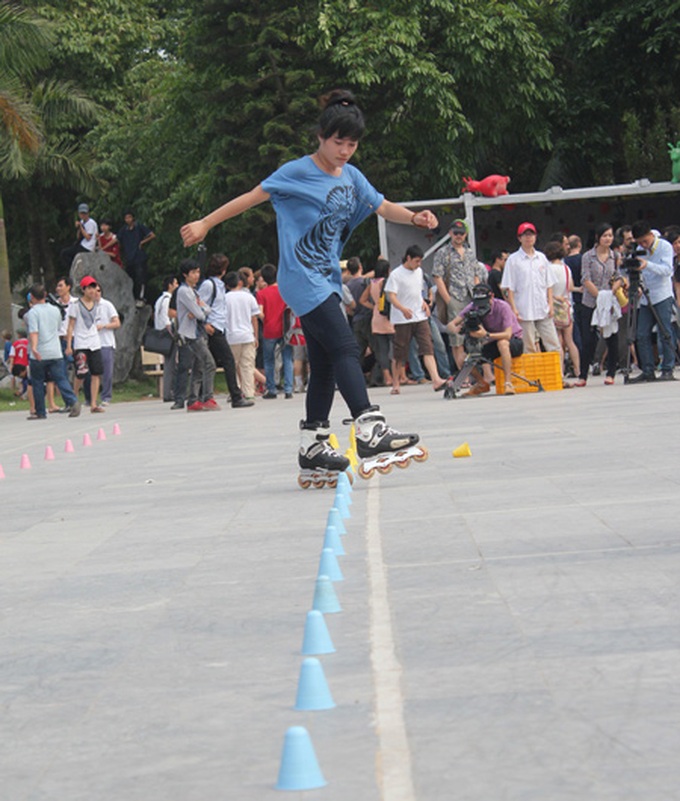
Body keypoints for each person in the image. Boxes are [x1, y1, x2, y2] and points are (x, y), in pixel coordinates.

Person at [181, 89, 436, 484]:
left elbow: (384, 207)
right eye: (338, 143)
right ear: (321, 136)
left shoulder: (352, 176)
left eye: (352, 144)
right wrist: (205, 224)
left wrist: (415, 217)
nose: (345, 151)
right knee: (347, 346)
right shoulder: (296, 171)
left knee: (326, 365)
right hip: (300, 277)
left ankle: (313, 445)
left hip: (327, 280)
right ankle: (369, 428)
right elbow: (251, 197)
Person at [384, 245, 449, 395]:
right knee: (399, 353)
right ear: (408, 258)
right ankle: (396, 383)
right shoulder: (396, 274)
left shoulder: (419, 272)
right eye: (417, 261)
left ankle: (436, 379)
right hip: (402, 319)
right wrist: (402, 308)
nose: (419, 264)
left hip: (419, 316)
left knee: (427, 347)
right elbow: (391, 296)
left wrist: (424, 303)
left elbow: (418, 292)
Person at [447, 283, 524, 396]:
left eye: (484, 302)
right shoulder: (474, 306)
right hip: (491, 342)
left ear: (491, 296)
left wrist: (486, 334)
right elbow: (451, 324)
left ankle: (508, 383)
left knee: (502, 343)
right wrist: (456, 329)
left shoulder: (503, 307)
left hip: (513, 340)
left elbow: (507, 335)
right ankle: (481, 383)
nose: (482, 306)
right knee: (463, 357)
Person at [198, 254, 253, 408]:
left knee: (211, 363)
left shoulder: (220, 285)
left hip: (220, 328)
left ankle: (200, 394)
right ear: (223, 269)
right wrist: (204, 323)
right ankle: (236, 396)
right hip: (212, 328)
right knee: (228, 360)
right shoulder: (209, 285)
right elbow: (199, 304)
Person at [432, 218, 487, 370]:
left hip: (471, 297)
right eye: (456, 233)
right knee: (457, 340)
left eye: (461, 233)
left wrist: (478, 294)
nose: (458, 236)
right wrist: (448, 300)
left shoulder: (470, 252)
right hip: (455, 296)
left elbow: (476, 273)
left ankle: (479, 372)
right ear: (450, 233)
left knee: (476, 334)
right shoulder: (443, 253)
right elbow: (438, 277)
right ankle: (464, 375)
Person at [501, 222, 561, 355]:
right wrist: (514, 308)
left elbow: (549, 284)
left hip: (542, 307)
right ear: (519, 238)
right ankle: (532, 375)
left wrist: (550, 304)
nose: (528, 238)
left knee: (553, 344)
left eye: (531, 234)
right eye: (525, 235)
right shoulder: (513, 260)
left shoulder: (542, 258)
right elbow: (509, 287)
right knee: (528, 347)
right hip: (524, 308)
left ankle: (557, 374)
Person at [628, 220, 676, 382]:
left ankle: (668, 369)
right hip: (645, 297)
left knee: (665, 332)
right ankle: (648, 370)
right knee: (641, 334)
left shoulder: (664, 246)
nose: (643, 245)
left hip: (662, 295)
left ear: (650, 234)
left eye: (645, 241)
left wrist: (647, 264)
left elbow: (667, 270)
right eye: (639, 242)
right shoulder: (639, 250)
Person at [25, 283, 80, 419]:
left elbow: (34, 332)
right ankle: (72, 401)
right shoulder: (55, 310)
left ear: (31, 297)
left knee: (37, 382)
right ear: (45, 295)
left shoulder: (33, 313)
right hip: (55, 351)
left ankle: (40, 412)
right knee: (60, 378)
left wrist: (34, 348)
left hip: (39, 353)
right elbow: (57, 327)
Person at [172, 258, 219, 411]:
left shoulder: (194, 291)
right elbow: (200, 313)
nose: (196, 275)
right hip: (191, 334)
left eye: (198, 272)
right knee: (209, 363)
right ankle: (207, 397)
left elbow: (206, 309)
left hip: (197, 332)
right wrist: (198, 311)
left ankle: (193, 400)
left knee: (199, 366)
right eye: (193, 272)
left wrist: (199, 310)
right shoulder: (184, 291)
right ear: (185, 274)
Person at [65, 276, 104, 412]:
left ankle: (93, 403)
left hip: (94, 342)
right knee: (81, 372)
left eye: (94, 287)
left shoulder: (97, 305)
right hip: (81, 342)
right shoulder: (75, 305)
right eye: (89, 288)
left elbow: (97, 323)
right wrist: (69, 345)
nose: (93, 291)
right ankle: (73, 399)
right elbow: (70, 326)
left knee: (96, 373)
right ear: (83, 289)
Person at [256, 263, 294, 399]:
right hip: (285, 329)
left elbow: (260, 313)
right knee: (287, 358)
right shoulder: (285, 291)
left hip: (269, 330)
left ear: (265, 279)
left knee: (269, 360)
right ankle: (289, 389)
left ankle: (271, 389)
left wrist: (265, 319)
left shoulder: (261, 294)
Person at [545, 240, 580, 381]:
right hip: (566, 306)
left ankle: (560, 370)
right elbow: (570, 287)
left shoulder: (549, 269)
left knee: (558, 341)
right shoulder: (566, 268)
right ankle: (578, 369)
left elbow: (548, 288)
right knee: (570, 341)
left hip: (553, 305)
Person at [224, 271, 261, 400]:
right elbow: (254, 318)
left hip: (231, 336)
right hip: (247, 335)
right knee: (247, 365)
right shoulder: (249, 297)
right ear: (240, 282)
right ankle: (249, 393)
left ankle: (235, 391)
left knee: (232, 365)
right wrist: (255, 336)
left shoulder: (225, 298)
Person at [117, 211, 155, 306]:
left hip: (139, 256)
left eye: (129, 217)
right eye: (126, 218)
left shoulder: (139, 227)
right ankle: (132, 297)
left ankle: (141, 297)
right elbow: (117, 239)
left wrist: (142, 242)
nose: (128, 220)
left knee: (140, 278)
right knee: (130, 278)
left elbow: (152, 235)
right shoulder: (124, 230)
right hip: (129, 257)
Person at [154, 275, 179, 402]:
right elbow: (165, 317)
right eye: (175, 283)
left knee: (169, 363)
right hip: (167, 332)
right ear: (170, 285)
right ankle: (169, 392)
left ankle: (168, 391)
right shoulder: (168, 299)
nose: (177, 285)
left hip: (160, 332)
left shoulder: (160, 299)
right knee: (170, 364)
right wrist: (172, 332)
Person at [94, 286, 120, 404]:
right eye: (94, 290)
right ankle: (91, 398)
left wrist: (104, 326)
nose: (96, 293)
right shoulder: (88, 306)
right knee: (93, 371)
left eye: (99, 290)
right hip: (92, 343)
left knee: (107, 372)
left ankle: (106, 396)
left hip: (106, 342)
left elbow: (117, 323)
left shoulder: (107, 305)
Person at [59, 203, 98, 269]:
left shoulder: (91, 223)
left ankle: (74, 267)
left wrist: (81, 227)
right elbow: (78, 237)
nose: (83, 215)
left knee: (67, 253)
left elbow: (88, 237)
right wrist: (78, 228)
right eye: (81, 214)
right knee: (65, 253)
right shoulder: (82, 222)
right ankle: (73, 267)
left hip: (87, 247)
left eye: (84, 213)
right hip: (82, 244)